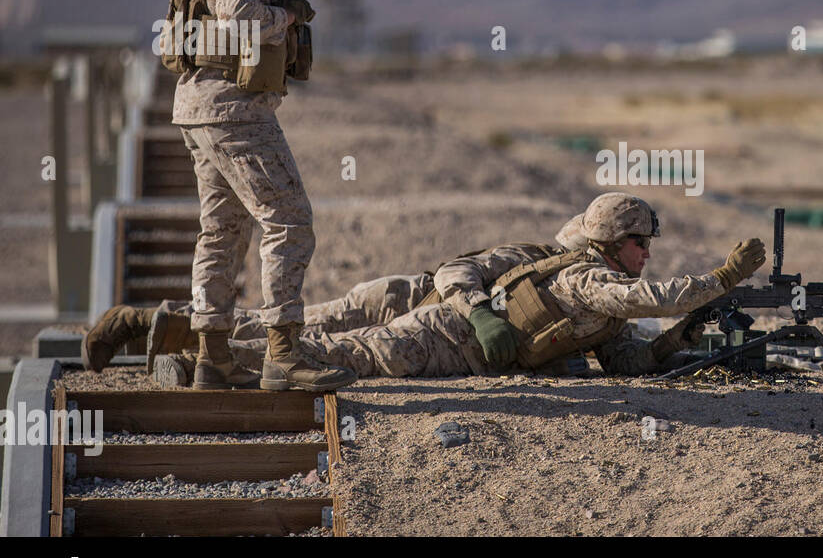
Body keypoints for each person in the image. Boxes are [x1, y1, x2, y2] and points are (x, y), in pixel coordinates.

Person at [151, 194, 765, 383]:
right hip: (443, 328)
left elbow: (626, 360)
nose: (647, 254)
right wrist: (721, 280)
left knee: (327, 339)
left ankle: (194, 344)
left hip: (456, 338)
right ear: (610, 245)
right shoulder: (582, 279)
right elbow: (653, 296)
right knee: (338, 348)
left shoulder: (599, 296)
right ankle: (199, 356)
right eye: (640, 245)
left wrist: (675, 344)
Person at [170, 0, 351, 391]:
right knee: (289, 219)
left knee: (223, 230)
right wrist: (290, 15)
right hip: (235, 111)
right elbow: (242, 19)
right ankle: (283, 353)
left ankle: (213, 356)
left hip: (204, 108)